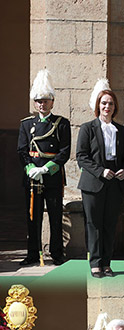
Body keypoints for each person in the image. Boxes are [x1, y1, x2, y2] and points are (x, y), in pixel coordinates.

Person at [76, 80, 124, 278]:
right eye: (104, 103)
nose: (107, 107)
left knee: (110, 224)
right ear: (98, 105)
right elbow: (81, 156)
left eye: (111, 104)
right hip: (93, 183)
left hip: (115, 183)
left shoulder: (121, 130)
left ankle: (107, 263)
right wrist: (100, 171)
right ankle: (95, 263)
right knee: (94, 224)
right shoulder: (87, 128)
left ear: (115, 107)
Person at [17, 69, 71, 267]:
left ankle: (57, 253)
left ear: (52, 102)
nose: (42, 104)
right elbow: (22, 151)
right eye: (39, 101)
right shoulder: (26, 125)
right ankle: (33, 254)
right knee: (33, 217)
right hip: (32, 177)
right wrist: (31, 168)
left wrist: (46, 169)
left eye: (46, 100)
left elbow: (64, 152)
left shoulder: (62, 124)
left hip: (52, 176)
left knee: (55, 216)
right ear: (34, 103)